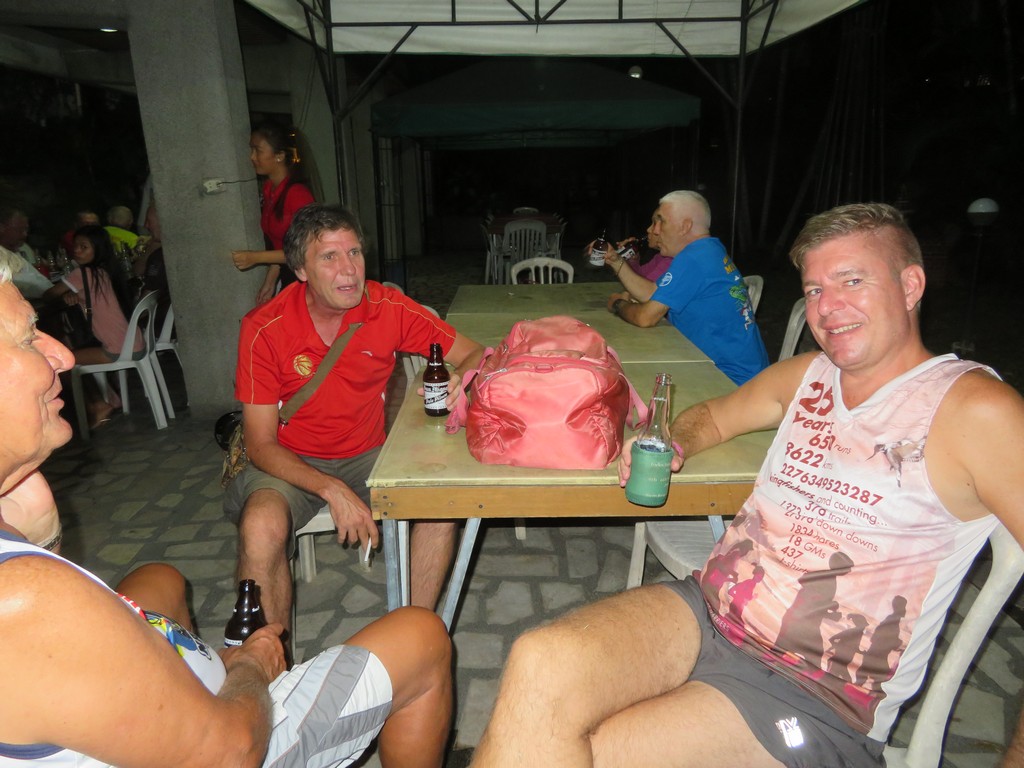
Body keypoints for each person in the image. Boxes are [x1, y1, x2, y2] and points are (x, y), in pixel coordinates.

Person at [470, 203, 1024, 768]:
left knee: (594, 750)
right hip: (707, 610)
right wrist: (666, 439)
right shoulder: (808, 375)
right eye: (814, 290)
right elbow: (712, 416)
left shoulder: (974, 409)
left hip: (813, 690)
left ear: (910, 285)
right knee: (539, 661)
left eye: (852, 281)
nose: (828, 307)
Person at [0, 263, 453, 768]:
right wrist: (253, 666)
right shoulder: (29, 596)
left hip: (162, 693)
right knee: (422, 635)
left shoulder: (24, 561)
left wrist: (42, 533)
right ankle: (277, 689)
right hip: (235, 735)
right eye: (27, 338)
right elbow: (229, 755)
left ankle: (212, 664)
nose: (63, 355)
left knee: (160, 578)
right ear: (302, 270)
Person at [224, 203, 484, 637]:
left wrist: (462, 380)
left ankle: (411, 638)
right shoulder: (264, 328)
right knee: (260, 525)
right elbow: (260, 444)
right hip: (289, 459)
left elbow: (475, 352)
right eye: (329, 256)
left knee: (438, 504)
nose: (349, 270)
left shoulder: (386, 307)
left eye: (355, 253)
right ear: (300, 270)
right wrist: (331, 488)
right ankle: (266, 658)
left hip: (368, 454)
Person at [596, 190, 769, 385]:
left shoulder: (695, 258)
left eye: (661, 222)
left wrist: (618, 304)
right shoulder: (708, 249)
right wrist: (616, 261)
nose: (654, 230)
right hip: (741, 373)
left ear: (685, 226)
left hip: (730, 380)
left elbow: (645, 317)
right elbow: (653, 293)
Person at [48, 224, 141, 427]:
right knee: (76, 351)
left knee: (63, 362)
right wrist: (73, 294)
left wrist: (65, 294)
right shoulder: (108, 271)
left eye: (84, 247)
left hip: (118, 348)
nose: (77, 251)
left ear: (98, 249)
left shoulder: (82, 274)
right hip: (134, 341)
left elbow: (49, 294)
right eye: (76, 246)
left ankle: (98, 405)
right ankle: (111, 398)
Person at [231, 120, 316, 305]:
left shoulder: (298, 194)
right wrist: (270, 281)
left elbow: (306, 250)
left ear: (279, 156)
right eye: (251, 150)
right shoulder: (270, 189)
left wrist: (255, 257)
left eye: (258, 150)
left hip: (308, 279)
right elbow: (280, 243)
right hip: (290, 275)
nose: (252, 157)